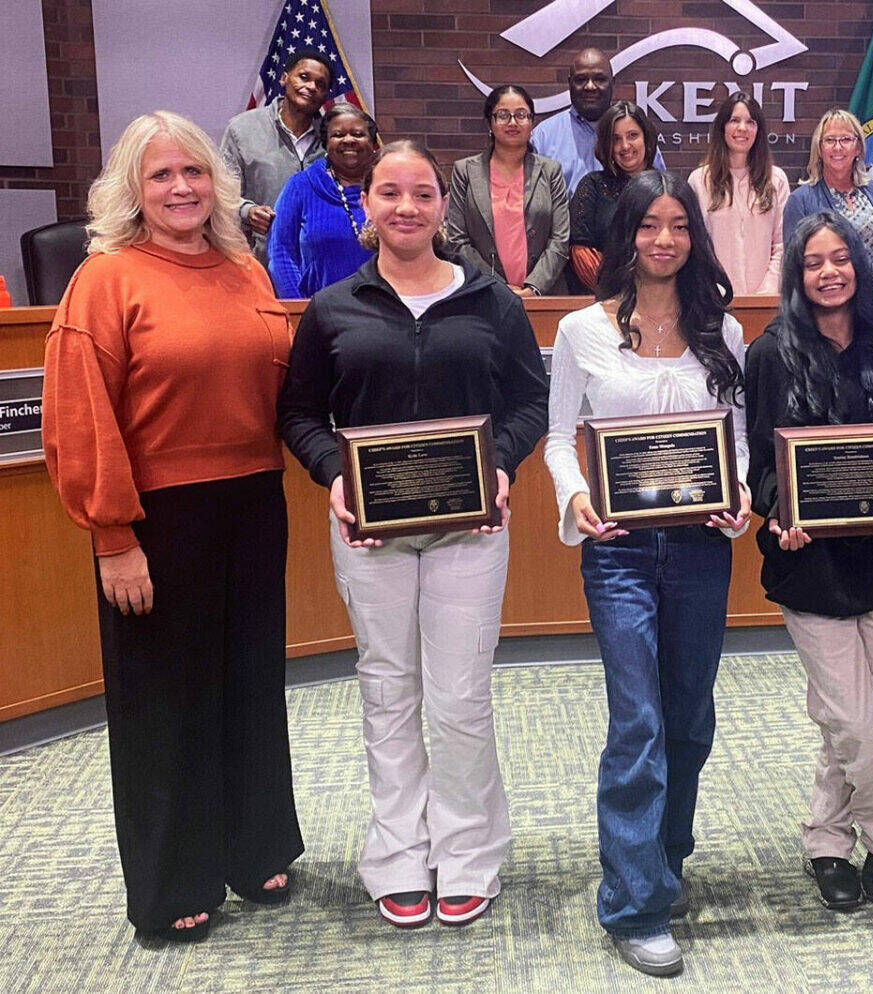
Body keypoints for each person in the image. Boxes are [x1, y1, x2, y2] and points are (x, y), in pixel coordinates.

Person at [42, 110, 304, 942]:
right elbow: (81, 415)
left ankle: (254, 844)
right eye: (161, 176)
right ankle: (173, 880)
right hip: (159, 520)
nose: (182, 188)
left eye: (192, 172)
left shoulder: (243, 268)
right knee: (165, 705)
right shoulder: (106, 278)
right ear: (132, 190)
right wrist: (113, 537)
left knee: (251, 685)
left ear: (216, 183)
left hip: (254, 506)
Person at [278, 140, 549, 929]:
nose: (406, 206)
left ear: (443, 205)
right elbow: (296, 412)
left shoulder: (492, 300)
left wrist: (500, 464)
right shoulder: (334, 307)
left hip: (471, 530)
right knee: (388, 691)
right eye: (389, 192)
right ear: (366, 204)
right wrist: (335, 476)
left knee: (461, 698)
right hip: (370, 533)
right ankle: (398, 851)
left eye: (422, 193)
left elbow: (529, 401)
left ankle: (467, 852)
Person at [544, 170, 751, 976]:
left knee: (689, 722)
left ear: (693, 238)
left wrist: (735, 493)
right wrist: (577, 497)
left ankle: (662, 860)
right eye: (648, 226)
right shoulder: (581, 331)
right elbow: (563, 438)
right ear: (625, 235)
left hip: (702, 547)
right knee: (639, 723)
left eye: (678, 226)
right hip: (621, 549)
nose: (664, 240)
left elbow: (731, 438)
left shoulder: (721, 330)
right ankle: (634, 903)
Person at [746, 212, 873, 911]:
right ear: (796, 277)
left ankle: (826, 838)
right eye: (812, 263)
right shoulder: (769, 353)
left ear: (859, 266)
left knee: (849, 719)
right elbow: (761, 462)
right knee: (860, 723)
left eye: (840, 259)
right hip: (810, 569)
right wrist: (779, 513)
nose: (829, 272)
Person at [445, 84, 570, 295]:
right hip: (483, 294)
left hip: (544, 296)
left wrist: (534, 287)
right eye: (503, 115)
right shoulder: (464, 171)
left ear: (532, 122)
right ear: (490, 122)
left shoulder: (550, 171)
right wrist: (498, 287)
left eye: (521, 115)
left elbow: (560, 239)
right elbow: (457, 240)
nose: (513, 122)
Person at [220, 48, 334, 264]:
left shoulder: (333, 138)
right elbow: (220, 194)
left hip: (321, 267)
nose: (311, 87)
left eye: (320, 84)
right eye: (304, 77)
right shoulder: (242, 129)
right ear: (284, 78)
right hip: (260, 263)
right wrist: (248, 211)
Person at [783, 109, 873, 293]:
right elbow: (794, 264)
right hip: (825, 309)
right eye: (830, 140)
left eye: (846, 140)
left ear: (858, 148)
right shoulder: (800, 201)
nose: (838, 147)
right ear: (819, 149)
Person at [268, 103, 377, 298]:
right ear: (325, 143)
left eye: (358, 134)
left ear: (372, 142)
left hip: (386, 311)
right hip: (320, 312)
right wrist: (301, 308)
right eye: (338, 135)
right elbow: (281, 253)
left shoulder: (389, 186)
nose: (349, 140)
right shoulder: (301, 185)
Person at [687, 91, 789, 295]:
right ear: (722, 127)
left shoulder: (776, 179)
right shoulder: (699, 181)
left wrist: (766, 292)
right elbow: (696, 247)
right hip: (713, 299)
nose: (742, 128)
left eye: (750, 122)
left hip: (765, 301)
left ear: (758, 130)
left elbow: (781, 245)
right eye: (734, 120)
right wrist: (715, 291)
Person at [531, 46, 665, 196]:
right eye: (581, 79)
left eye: (599, 79)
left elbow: (660, 193)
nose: (590, 86)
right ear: (569, 83)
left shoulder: (638, 138)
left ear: (612, 82)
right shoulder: (544, 136)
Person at [568, 101, 660, 292]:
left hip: (660, 296)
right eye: (616, 139)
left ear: (647, 139)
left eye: (632, 135)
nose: (625, 146)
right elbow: (580, 252)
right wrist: (619, 293)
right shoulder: (593, 185)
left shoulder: (666, 187)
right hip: (605, 299)